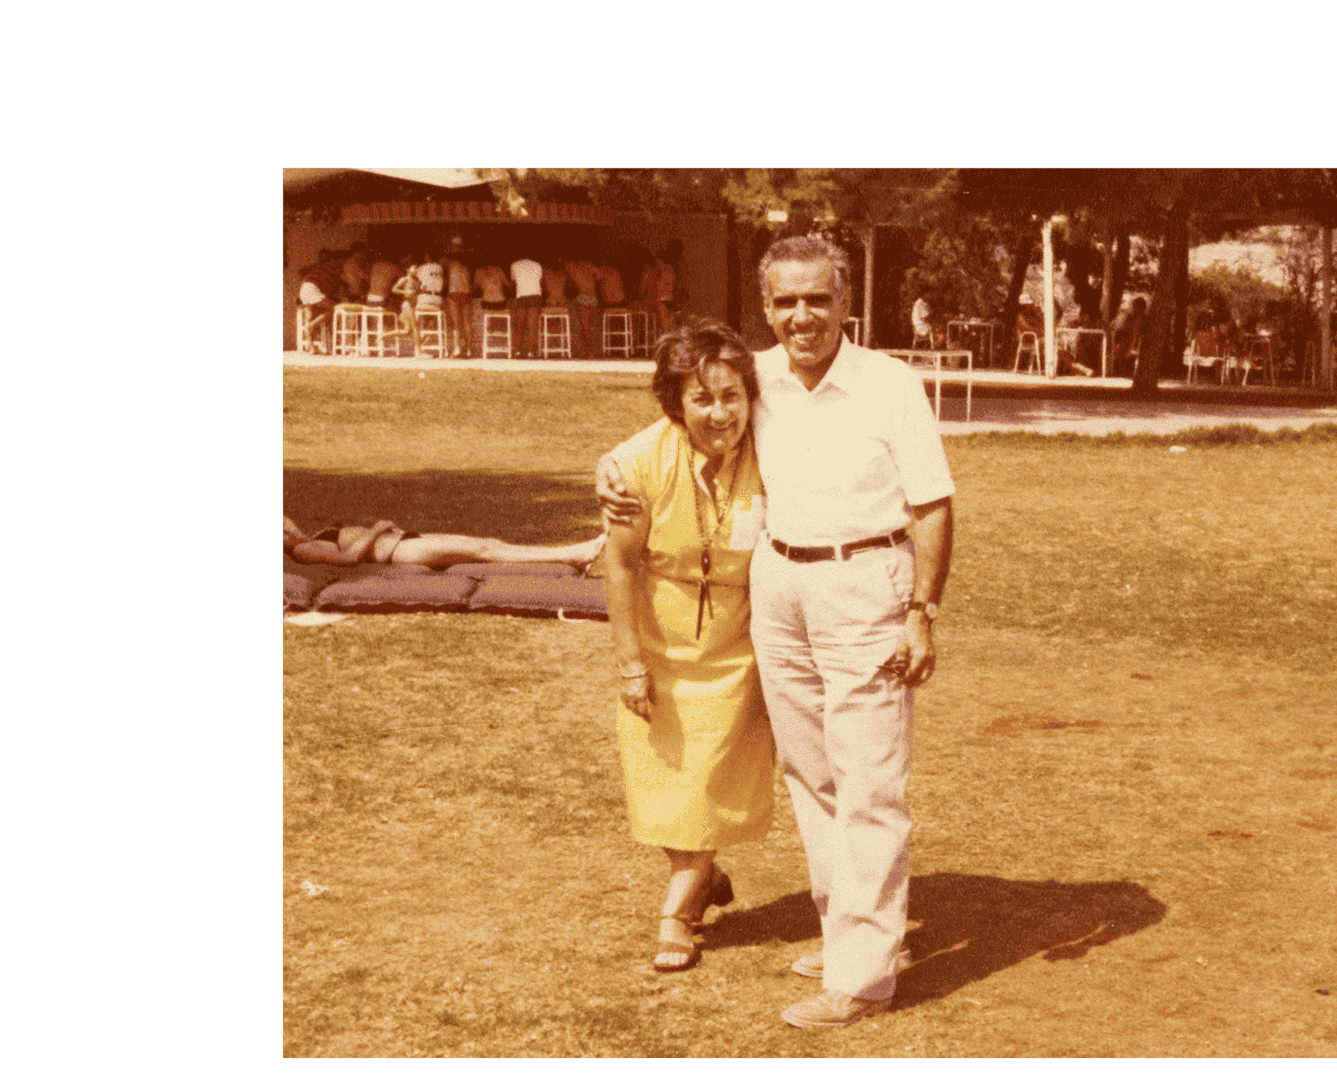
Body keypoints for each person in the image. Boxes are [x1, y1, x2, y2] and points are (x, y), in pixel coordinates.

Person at [597, 236, 953, 1029]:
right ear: (766, 308)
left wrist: (921, 611)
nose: (803, 316)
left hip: (867, 581)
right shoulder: (758, 379)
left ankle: (861, 979)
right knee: (812, 773)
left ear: (846, 301)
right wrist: (611, 474)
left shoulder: (890, 385)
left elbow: (932, 505)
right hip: (780, 584)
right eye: (786, 301)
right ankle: (849, 936)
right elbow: (689, 421)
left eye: (818, 298)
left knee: (868, 778)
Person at [597, 318, 777, 974]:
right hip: (660, 649)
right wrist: (628, 662)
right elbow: (620, 565)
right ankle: (702, 876)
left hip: (739, 649)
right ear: (675, 403)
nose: (720, 412)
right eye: (701, 399)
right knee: (669, 788)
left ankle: (676, 915)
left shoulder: (770, 448)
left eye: (732, 396)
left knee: (707, 783)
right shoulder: (636, 463)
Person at [283, 518, 604, 569]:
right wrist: (378, 529)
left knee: (486, 544)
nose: (288, 524)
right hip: (400, 552)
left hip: (403, 542)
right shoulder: (302, 549)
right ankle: (576, 553)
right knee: (484, 551)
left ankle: (572, 554)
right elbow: (349, 560)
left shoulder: (313, 536)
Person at [509, 251, 544, 359]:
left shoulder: (514, 265)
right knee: (532, 326)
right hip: (535, 295)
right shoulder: (538, 265)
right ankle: (531, 352)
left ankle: (518, 351)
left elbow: (513, 282)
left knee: (519, 325)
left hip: (522, 295)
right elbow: (540, 281)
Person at [566, 253, 601, 358]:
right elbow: (599, 276)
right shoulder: (589, 265)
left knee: (584, 326)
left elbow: (568, 280)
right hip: (593, 297)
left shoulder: (572, 266)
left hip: (583, 296)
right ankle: (585, 350)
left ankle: (588, 352)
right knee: (590, 326)